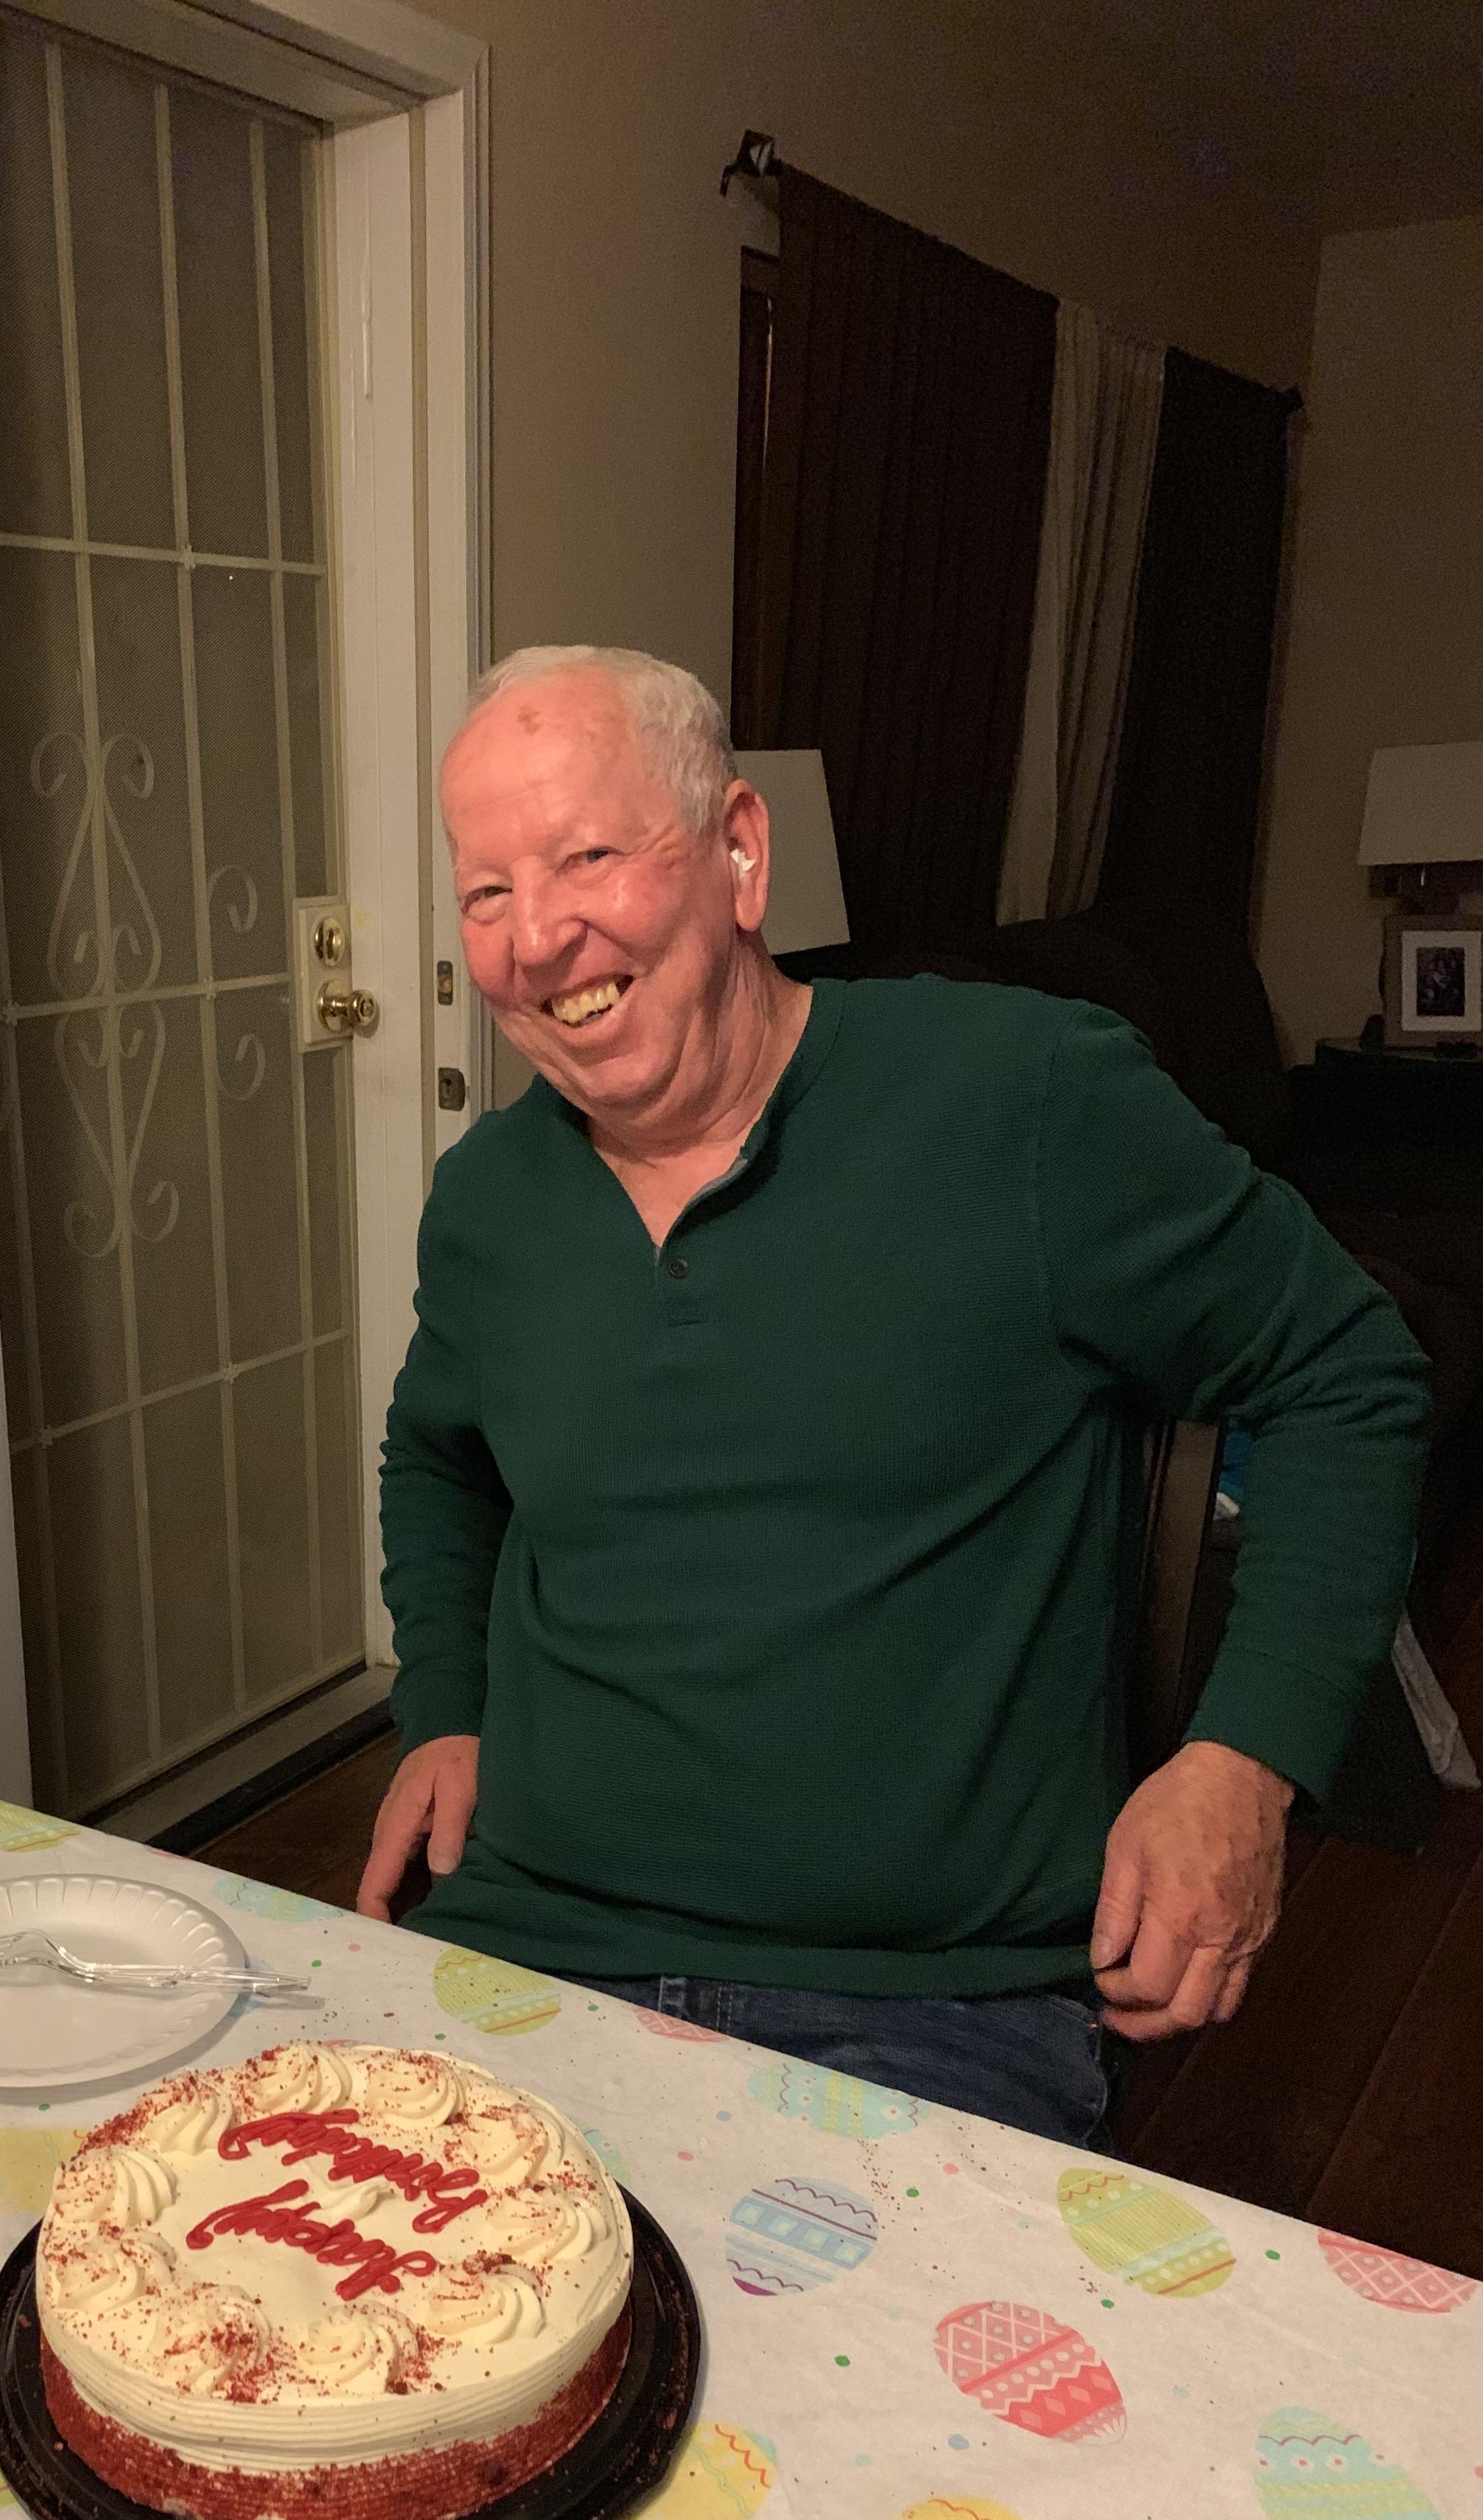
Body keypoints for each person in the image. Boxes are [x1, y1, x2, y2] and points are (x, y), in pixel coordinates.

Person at [357, 644, 1431, 2144]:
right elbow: (438, 1459)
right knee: (310, 2330)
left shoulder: (1026, 1099)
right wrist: (445, 1705)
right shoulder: (488, 1204)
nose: (539, 936)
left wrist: (1243, 1762)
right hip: (535, 1940)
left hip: (931, 2003)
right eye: (486, 892)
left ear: (739, 852)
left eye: (589, 856)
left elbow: (1346, 1374)